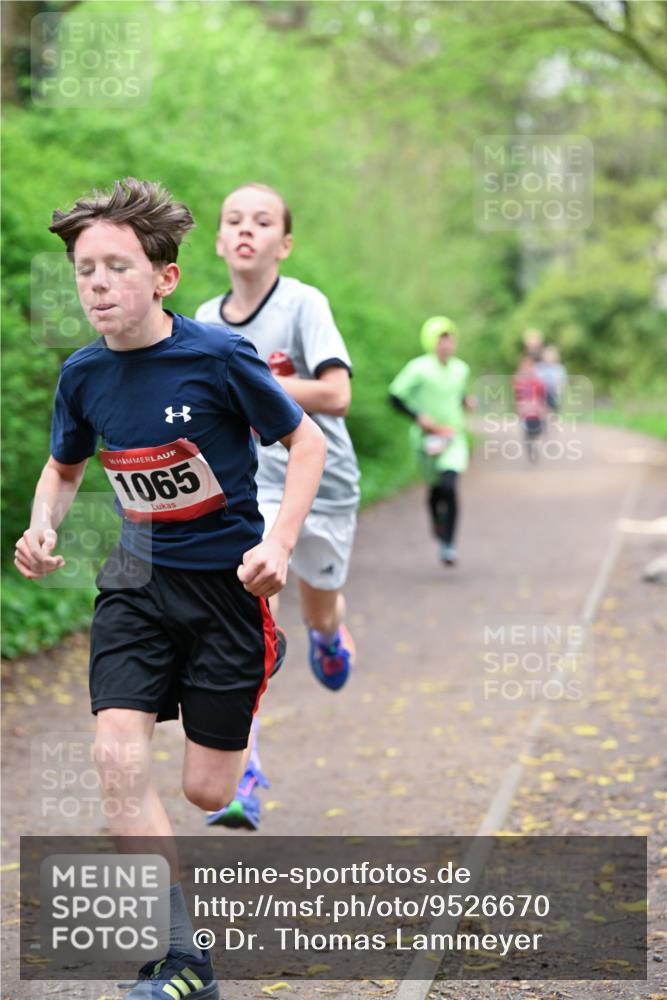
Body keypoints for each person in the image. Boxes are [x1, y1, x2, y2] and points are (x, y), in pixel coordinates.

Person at [14, 178, 326, 1000]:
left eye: (117, 266)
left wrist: (279, 543)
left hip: (229, 592)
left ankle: (266, 653)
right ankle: (182, 959)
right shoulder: (82, 376)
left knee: (205, 791)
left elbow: (305, 447)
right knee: (116, 758)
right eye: (86, 270)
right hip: (137, 582)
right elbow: (64, 466)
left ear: (163, 278)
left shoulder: (218, 358)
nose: (99, 284)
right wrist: (43, 522)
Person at [196, 183, 360, 830]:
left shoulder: (303, 303)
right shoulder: (205, 317)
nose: (246, 230)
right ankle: (245, 774)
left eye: (261, 222)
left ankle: (328, 634)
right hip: (250, 491)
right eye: (233, 220)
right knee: (249, 616)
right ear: (217, 240)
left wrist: (251, 384)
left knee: (320, 602)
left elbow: (337, 395)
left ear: (282, 244)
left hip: (323, 481)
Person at [388, 316, 472, 566]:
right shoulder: (418, 368)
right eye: (440, 340)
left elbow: (456, 394)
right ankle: (437, 525)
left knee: (450, 485)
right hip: (428, 440)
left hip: (453, 437)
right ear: (430, 342)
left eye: (449, 339)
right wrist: (418, 417)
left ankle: (448, 543)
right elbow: (394, 396)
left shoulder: (461, 369)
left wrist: (466, 402)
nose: (446, 345)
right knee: (436, 489)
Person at [512, 355, 547, 462]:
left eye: (530, 365)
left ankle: (533, 443)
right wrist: (517, 406)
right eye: (525, 365)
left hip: (536, 408)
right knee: (527, 432)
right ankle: (530, 449)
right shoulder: (517, 379)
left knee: (538, 430)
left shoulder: (537, 379)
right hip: (524, 409)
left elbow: (542, 393)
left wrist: (542, 407)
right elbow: (516, 394)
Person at [536, 344, 567, 412]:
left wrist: (558, 391)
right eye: (547, 355)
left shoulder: (559, 368)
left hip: (553, 394)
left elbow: (562, 383)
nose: (549, 357)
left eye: (551, 355)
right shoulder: (538, 367)